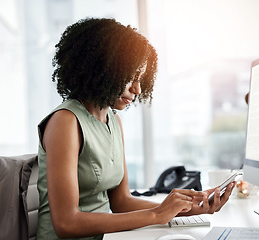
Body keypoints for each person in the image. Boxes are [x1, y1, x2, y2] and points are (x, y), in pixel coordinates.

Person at [36, 17, 235, 240]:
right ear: (103, 69)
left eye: (141, 79)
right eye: (130, 77)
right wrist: (157, 214)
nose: (138, 89)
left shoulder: (113, 120)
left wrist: (184, 209)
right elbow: (66, 223)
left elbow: (121, 202)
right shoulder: (65, 121)